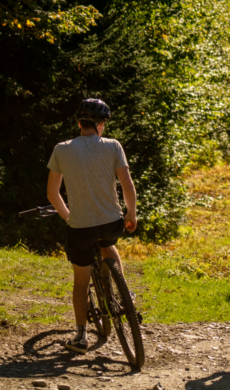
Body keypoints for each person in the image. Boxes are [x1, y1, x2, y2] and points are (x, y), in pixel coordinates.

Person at [46, 98, 138, 354]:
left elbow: (53, 194)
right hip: (112, 222)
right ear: (100, 124)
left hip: (80, 227)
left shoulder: (61, 149)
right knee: (109, 245)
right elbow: (127, 186)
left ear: (79, 123)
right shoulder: (113, 146)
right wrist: (132, 213)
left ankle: (81, 336)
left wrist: (68, 217)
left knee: (81, 280)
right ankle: (125, 293)